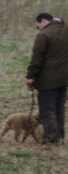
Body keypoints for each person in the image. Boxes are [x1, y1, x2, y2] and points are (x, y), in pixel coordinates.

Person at [26, 13, 68, 147]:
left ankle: (50, 139)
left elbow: (37, 59)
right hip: (64, 78)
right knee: (59, 108)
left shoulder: (43, 35)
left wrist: (31, 76)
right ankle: (60, 136)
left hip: (48, 79)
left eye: (38, 26)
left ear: (43, 21)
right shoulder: (64, 30)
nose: (39, 29)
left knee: (47, 110)